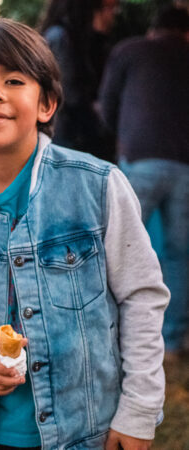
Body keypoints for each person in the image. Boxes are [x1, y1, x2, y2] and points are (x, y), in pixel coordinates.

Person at [0, 19, 169, 450]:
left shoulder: (98, 186)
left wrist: (139, 412)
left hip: (88, 435)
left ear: (47, 104)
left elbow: (142, 297)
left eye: (13, 80)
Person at [99, 5, 189, 359]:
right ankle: (172, 340)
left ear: (154, 28)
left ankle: (112, 332)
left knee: (119, 247)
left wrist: (120, 136)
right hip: (185, 166)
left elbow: (106, 106)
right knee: (180, 255)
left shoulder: (129, 50)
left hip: (139, 160)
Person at [41, 0, 118, 162]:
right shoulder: (61, 37)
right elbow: (69, 93)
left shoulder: (87, 40)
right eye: (108, 8)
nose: (114, 14)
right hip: (68, 134)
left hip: (77, 134)